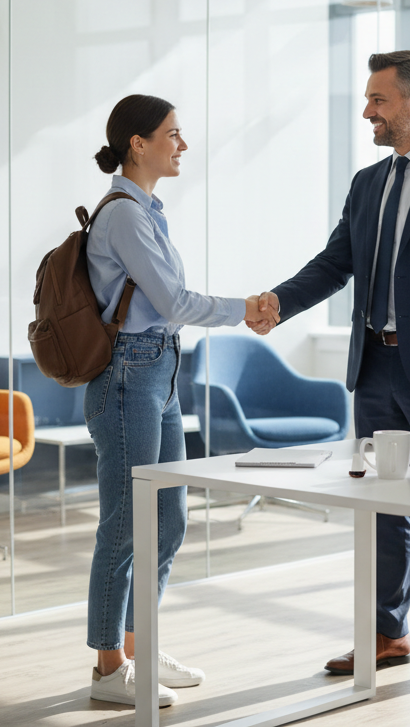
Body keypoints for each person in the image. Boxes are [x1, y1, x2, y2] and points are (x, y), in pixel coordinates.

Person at [248, 51, 410, 692]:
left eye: (379, 100)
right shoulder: (369, 182)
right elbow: (336, 262)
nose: (368, 111)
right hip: (375, 367)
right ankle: (389, 633)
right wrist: (279, 302)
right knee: (383, 508)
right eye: (368, 99)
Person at [83, 94, 278, 707]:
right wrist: (243, 309)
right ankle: (109, 666)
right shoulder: (124, 215)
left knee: (169, 518)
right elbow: (174, 302)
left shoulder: (148, 211)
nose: (182, 145)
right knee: (126, 520)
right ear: (137, 144)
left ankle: (142, 644)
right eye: (172, 134)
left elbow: (167, 305)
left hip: (160, 370)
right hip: (129, 374)